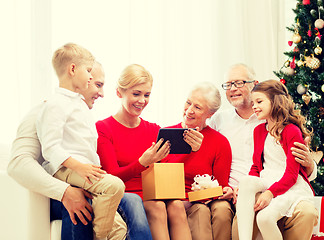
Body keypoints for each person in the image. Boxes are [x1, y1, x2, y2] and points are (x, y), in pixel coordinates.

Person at [8, 61, 124, 240]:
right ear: (76, 76)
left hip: (80, 185)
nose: (101, 94)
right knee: (82, 203)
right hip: (51, 193)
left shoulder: (82, 119)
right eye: (97, 84)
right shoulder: (45, 111)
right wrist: (64, 191)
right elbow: (17, 164)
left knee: (131, 202)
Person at [208, 63, 318, 240]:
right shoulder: (220, 120)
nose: (232, 89)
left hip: (281, 186)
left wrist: (309, 163)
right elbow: (255, 165)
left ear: (254, 84)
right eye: (228, 84)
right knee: (247, 189)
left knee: (288, 214)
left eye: (239, 83)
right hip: (245, 189)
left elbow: (295, 171)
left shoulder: (284, 127)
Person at [96, 64, 198, 240]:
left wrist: (192, 149)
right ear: (119, 93)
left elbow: (165, 171)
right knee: (157, 207)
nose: (142, 100)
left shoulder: (153, 130)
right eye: (136, 94)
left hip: (153, 193)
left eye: (147, 95)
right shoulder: (103, 128)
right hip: (126, 194)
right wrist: (142, 163)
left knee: (176, 206)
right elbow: (112, 177)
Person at [35, 43, 125, 240]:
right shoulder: (55, 104)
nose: (91, 77)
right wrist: (80, 167)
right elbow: (50, 147)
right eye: (88, 71)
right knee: (114, 186)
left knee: (119, 229)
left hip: (83, 169)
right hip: (67, 169)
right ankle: (98, 237)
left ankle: (103, 230)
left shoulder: (79, 104)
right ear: (73, 69)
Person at [236, 80, 315, 240]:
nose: (254, 107)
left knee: (265, 218)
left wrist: (271, 193)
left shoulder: (291, 131)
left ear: (275, 101)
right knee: (245, 182)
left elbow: (292, 175)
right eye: (253, 103)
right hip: (267, 179)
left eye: (259, 101)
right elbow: (256, 166)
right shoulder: (258, 130)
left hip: (289, 184)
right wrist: (246, 185)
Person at [162, 82, 233, 240]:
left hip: (205, 200)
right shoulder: (167, 134)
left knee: (222, 209)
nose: (189, 110)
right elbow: (160, 178)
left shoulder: (219, 142)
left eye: (198, 107)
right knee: (200, 212)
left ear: (210, 114)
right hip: (175, 202)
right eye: (188, 103)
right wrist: (189, 150)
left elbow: (220, 185)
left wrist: (224, 191)